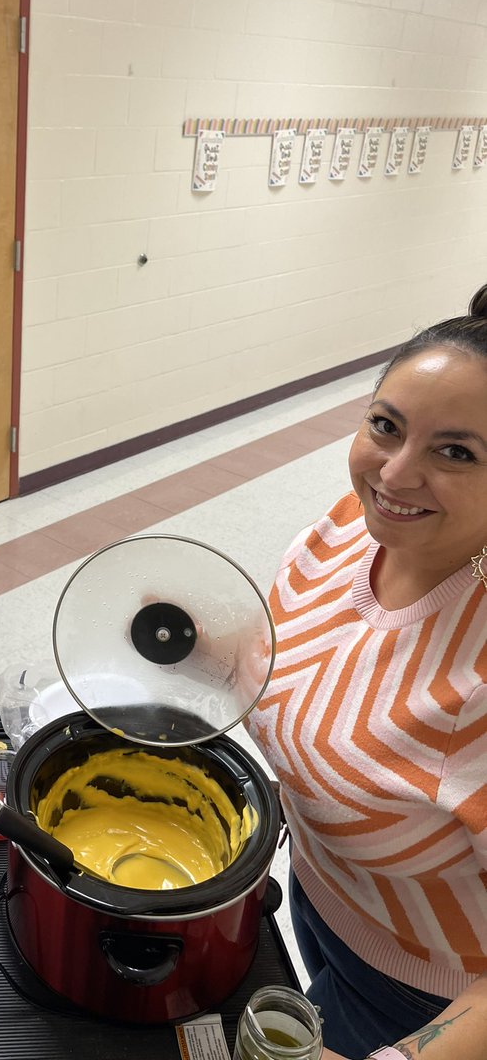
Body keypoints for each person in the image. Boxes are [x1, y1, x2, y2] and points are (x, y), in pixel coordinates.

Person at [247, 284, 487, 1060]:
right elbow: (303, 662)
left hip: (419, 997)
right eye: (386, 426)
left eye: (457, 452)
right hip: (320, 891)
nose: (395, 474)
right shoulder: (349, 528)